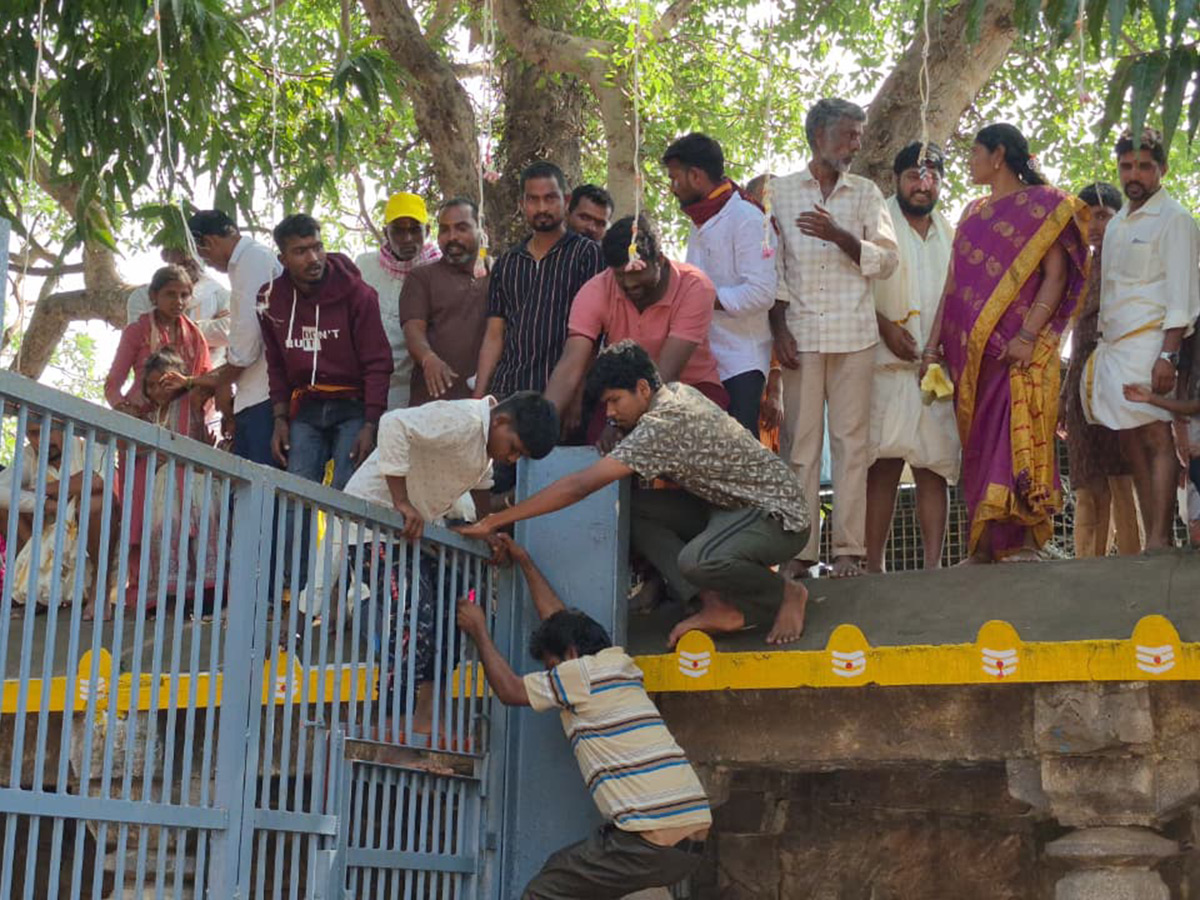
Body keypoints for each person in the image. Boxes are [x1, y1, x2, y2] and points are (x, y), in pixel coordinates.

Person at [458, 340, 812, 647]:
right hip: (729, 509)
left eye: (614, 401)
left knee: (698, 560)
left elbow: (580, 485)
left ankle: (787, 594)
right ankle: (713, 603)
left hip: (776, 515)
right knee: (635, 510)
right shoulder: (671, 394)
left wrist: (497, 519)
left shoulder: (663, 423)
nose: (610, 414)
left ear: (643, 388)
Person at [455, 535, 711, 899]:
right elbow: (558, 620)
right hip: (685, 842)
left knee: (544, 891)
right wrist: (524, 559)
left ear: (571, 654)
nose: (550, 676)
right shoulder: (617, 665)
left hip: (650, 839)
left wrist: (478, 628)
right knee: (606, 884)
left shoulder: (580, 675)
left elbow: (511, 691)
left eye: (550, 667)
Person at [341, 391, 559, 736]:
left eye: (521, 456)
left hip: (415, 534)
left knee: (450, 612)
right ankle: (391, 725)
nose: (512, 459)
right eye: (514, 448)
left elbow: (482, 487)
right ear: (500, 421)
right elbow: (392, 423)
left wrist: (487, 528)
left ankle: (426, 717)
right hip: (374, 524)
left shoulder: (486, 444)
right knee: (412, 615)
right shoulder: (464, 422)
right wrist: (401, 501)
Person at [923, 123, 1089, 563]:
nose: (969, 161)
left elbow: (1056, 277)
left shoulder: (1047, 206)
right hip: (971, 356)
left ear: (998, 155)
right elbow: (954, 287)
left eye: (974, 152)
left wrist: (1027, 336)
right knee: (978, 443)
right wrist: (932, 346)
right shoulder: (972, 213)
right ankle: (982, 545)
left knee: (1017, 435)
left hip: (1019, 351)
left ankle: (1023, 541)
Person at [769, 98, 899, 579]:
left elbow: (887, 261)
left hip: (855, 335)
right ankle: (799, 553)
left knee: (852, 446)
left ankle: (849, 551)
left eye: (859, 135)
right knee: (799, 448)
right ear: (818, 136)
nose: (856, 144)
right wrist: (778, 329)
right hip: (801, 335)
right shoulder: (780, 192)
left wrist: (840, 235)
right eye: (848, 134)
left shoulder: (866, 194)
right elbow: (774, 266)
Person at [1081, 128, 1200, 551]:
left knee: (1155, 436)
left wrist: (1168, 355)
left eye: (1145, 166)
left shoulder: (1176, 219)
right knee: (1130, 440)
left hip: (1153, 344)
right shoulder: (1117, 225)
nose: (1135, 174)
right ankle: (1153, 541)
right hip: (1114, 347)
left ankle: (1159, 539)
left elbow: (1183, 297)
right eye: (1127, 166)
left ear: (1162, 170)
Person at [543, 215, 727, 442]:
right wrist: (543, 423)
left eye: (637, 273)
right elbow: (571, 364)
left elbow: (667, 374)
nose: (630, 284)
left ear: (659, 260)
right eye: (621, 275)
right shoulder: (595, 290)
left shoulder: (696, 287)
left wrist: (625, 423)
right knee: (599, 444)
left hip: (691, 388)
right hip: (622, 392)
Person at [864, 142, 959, 573]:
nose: (924, 186)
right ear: (897, 180)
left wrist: (937, 349)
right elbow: (855, 288)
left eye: (932, 177)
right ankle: (872, 566)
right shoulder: (875, 223)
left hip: (934, 366)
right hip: (884, 362)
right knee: (882, 464)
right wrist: (886, 328)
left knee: (933, 465)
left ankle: (933, 568)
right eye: (914, 177)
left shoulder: (950, 231)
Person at [255, 214, 392, 489]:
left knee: (349, 493)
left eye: (317, 247)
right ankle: (294, 536)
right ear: (283, 260)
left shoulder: (359, 295)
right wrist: (280, 419)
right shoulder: (270, 299)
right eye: (300, 251)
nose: (314, 258)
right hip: (305, 407)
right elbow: (276, 363)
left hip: (353, 407)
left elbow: (378, 362)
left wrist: (371, 423)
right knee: (295, 495)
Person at [106, 265, 215, 608]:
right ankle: (144, 589)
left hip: (181, 433)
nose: (179, 301)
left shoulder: (194, 335)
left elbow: (204, 381)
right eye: (171, 294)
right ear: (153, 296)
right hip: (140, 435)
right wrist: (126, 411)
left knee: (185, 513)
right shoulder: (138, 330)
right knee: (140, 514)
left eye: (184, 295)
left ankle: (189, 587)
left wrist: (199, 427)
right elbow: (113, 383)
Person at [663, 132, 777, 433]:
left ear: (697, 176)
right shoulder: (700, 217)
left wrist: (699, 298)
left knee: (737, 452)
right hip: (703, 356)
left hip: (742, 359)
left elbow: (762, 293)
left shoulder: (747, 217)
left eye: (676, 179)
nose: (672, 188)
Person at [473, 161, 606, 403]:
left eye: (550, 198)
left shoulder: (588, 254)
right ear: (522, 204)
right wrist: (478, 399)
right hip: (507, 391)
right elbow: (494, 335)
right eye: (533, 200)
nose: (542, 207)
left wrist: (577, 399)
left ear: (566, 201)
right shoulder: (507, 263)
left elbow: (596, 336)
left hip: (558, 396)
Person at [1059, 181, 1143, 557]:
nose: (1094, 225)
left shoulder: (1132, 263)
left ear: (1120, 217)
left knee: (1123, 475)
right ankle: (1085, 567)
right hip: (1081, 388)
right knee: (1087, 482)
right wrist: (1065, 397)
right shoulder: (1079, 271)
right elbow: (1076, 342)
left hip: (1118, 379)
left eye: (1103, 216)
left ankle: (1134, 563)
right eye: (1086, 217)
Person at [184, 210, 284, 466]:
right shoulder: (246, 263)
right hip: (251, 393)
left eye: (202, 254)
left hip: (265, 393)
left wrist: (215, 383)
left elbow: (247, 345)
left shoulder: (253, 259)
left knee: (260, 487)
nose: (207, 262)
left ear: (208, 242)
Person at [0, 418, 118, 620]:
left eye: (46, 432)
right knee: (5, 508)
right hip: (50, 541)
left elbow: (98, 481)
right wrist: (47, 504)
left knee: (95, 502)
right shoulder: (30, 455)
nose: (41, 441)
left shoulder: (90, 441)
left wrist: (43, 490)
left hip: (91, 545)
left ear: (63, 426)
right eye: (33, 434)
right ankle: (34, 587)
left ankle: (101, 590)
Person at [140, 348, 223, 609]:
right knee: (167, 532)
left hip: (197, 483)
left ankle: (208, 598)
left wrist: (188, 382)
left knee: (205, 534)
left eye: (163, 382)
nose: (157, 391)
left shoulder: (192, 398)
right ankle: (174, 597)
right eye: (151, 386)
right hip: (167, 487)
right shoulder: (152, 414)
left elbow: (220, 379)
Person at [355, 191, 442, 409]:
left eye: (415, 230)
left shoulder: (441, 270)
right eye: (398, 231)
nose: (407, 239)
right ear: (386, 232)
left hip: (417, 390)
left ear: (428, 231)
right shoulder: (364, 267)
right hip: (368, 387)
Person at [399, 197, 489, 407]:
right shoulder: (422, 278)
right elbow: (413, 331)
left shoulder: (499, 273)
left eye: (461, 228)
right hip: (432, 407)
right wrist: (428, 358)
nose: (452, 237)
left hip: (485, 408)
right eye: (445, 230)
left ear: (482, 230)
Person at [126, 247, 230, 365]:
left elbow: (231, 331)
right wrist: (207, 331)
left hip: (209, 377)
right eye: (181, 250)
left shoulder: (219, 295)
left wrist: (167, 330)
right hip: (160, 377)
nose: (188, 257)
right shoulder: (143, 296)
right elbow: (140, 340)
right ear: (166, 256)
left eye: (193, 251)